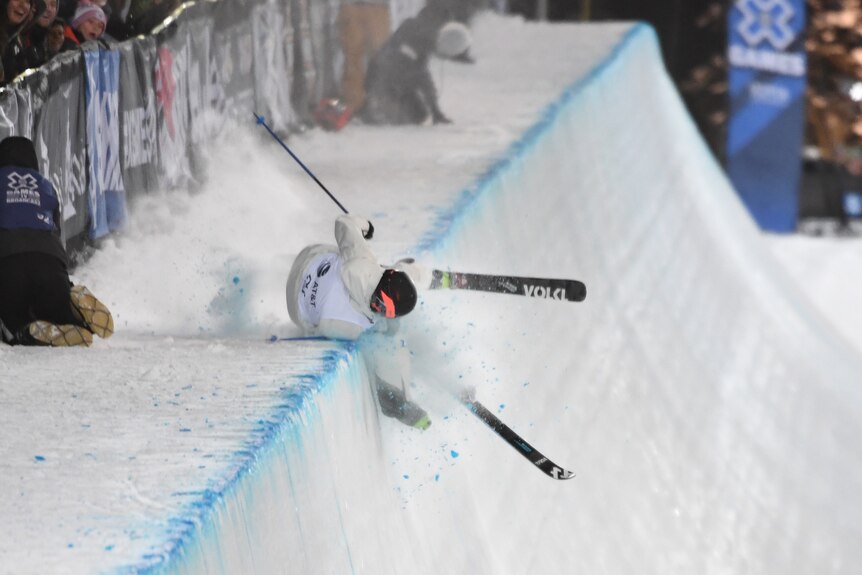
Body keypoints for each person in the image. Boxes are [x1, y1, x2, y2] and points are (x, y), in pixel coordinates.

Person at [285, 214, 431, 430]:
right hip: (296, 310)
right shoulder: (363, 329)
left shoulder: (361, 260)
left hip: (307, 260)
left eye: (386, 310)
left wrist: (366, 227)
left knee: (350, 261)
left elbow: (343, 222)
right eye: (384, 306)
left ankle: (407, 270)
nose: (379, 308)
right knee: (388, 343)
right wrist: (402, 405)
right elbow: (382, 362)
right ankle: (420, 275)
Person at [0, 136, 114, 347]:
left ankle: (27, 331)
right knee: (55, 310)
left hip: (8, 260)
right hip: (50, 260)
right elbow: (55, 230)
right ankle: (74, 311)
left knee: (13, 323)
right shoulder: (45, 185)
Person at [361, 4, 472, 125]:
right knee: (399, 118)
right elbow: (421, 77)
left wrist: (434, 108)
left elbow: (420, 74)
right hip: (382, 79)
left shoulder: (417, 34)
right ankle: (375, 105)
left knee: (419, 116)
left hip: (396, 79)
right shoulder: (414, 38)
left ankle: (382, 104)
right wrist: (435, 109)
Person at [338, 0, 391, 120]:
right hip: (351, 5)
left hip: (379, 6)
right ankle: (353, 105)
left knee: (380, 56)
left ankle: (380, 103)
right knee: (352, 57)